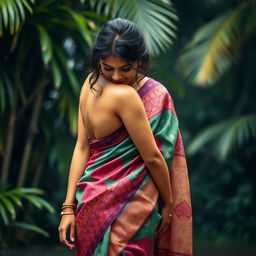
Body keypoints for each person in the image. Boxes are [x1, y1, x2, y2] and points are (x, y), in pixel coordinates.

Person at [58, 18, 192, 256]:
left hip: (89, 203)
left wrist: (69, 207)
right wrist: (169, 203)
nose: (117, 77)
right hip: (126, 210)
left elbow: (81, 148)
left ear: (139, 61)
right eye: (107, 68)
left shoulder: (88, 85)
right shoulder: (126, 95)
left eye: (125, 68)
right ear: (98, 61)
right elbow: (152, 157)